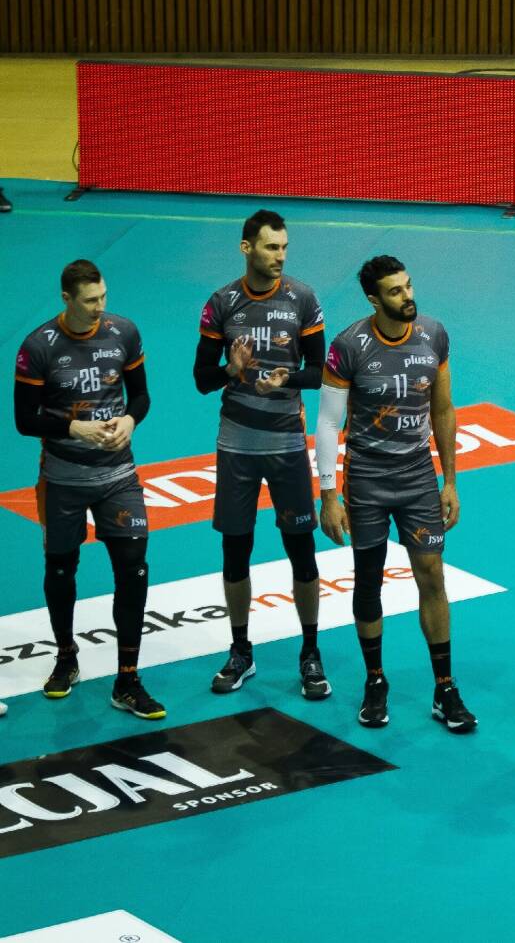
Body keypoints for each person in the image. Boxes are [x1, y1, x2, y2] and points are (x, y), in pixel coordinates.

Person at [315, 255, 475, 733]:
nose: (408, 297)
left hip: (417, 476)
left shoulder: (434, 335)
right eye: (395, 291)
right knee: (368, 580)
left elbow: (443, 409)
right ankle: (375, 682)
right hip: (366, 478)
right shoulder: (348, 346)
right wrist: (329, 495)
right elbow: (328, 423)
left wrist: (450, 480)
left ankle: (445, 688)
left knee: (432, 575)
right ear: (373, 299)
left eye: (408, 287)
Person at [13, 259, 164, 719]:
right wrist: (72, 428)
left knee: (133, 569)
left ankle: (128, 679)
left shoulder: (123, 333)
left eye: (103, 297)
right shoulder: (38, 347)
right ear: (67, 299)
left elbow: (141, 395)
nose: (100, 307)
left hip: (118, 476)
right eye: (90, 301)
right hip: (63, 480)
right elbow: (24, 420)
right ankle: (66, 657)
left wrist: (130, 420)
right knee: (61, 570)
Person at [195, 210, 329, 699]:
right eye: (272, 247)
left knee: (302, 551)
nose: (281, 256)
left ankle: (310, 653)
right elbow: (202, 379)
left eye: (284, 247)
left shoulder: (302, 299)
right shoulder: (221, 304)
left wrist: (286, 378)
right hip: (237, 445)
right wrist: (230, 371)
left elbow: (320, 371)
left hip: (287, 443)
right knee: (236, 551)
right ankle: (240, 651)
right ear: (246, 247)